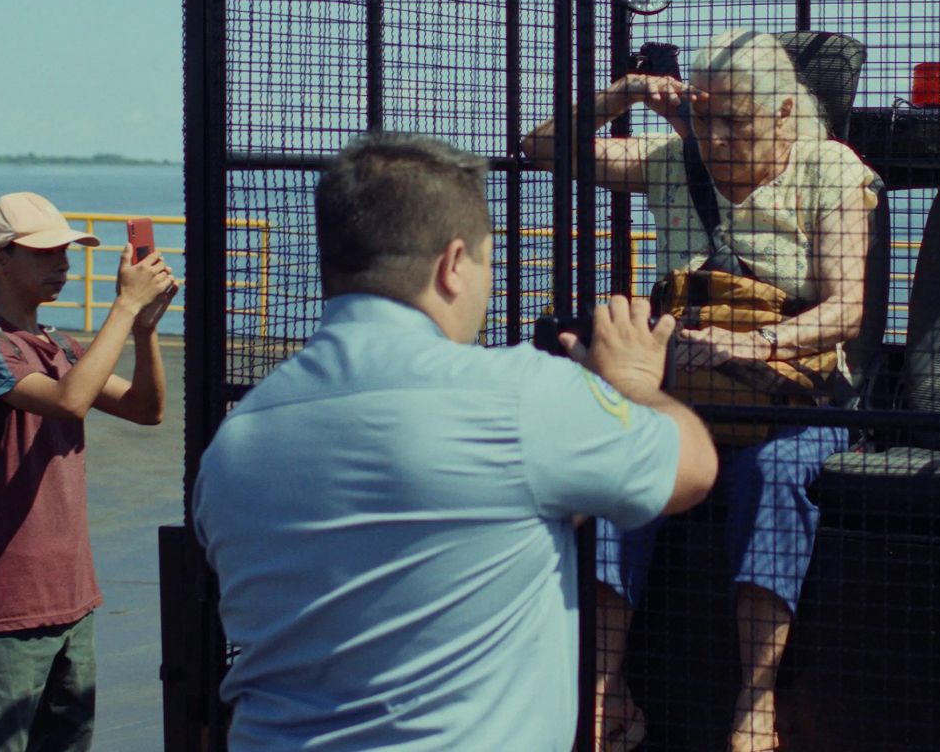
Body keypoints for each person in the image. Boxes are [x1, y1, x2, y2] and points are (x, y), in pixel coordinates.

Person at [191, 133, 718, 751]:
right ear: (452, 264)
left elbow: (423, 531)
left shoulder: (237, 440)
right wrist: (631, 383)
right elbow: (691, 467)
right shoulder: (517, 397)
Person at [524, 28, 880, 752]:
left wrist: (756, 345)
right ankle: (601, 689)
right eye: (707, 116)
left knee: (776, 475)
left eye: (736, 122)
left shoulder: (831, 173)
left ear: (784, 113)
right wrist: (619, 95)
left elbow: (847, 309)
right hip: (686, 390)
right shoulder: (671, 162)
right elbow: (544, 149)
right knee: (617, 469)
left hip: (791, 394)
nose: (717, 139)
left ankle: (755, 700)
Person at [0, 192, 178, 751]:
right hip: (11, 604)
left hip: (72, 597)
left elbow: (147, 409)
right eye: (46, 252)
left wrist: (144, 329)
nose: (63, 265)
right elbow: (72, 401)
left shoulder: (60, 347)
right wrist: (123, 307)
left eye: (66, 253)